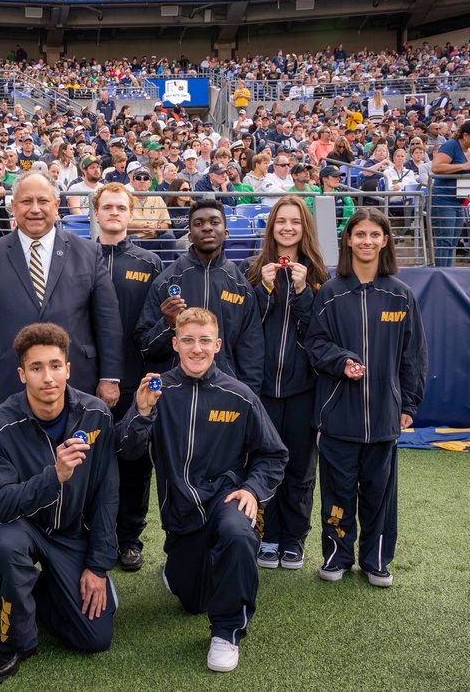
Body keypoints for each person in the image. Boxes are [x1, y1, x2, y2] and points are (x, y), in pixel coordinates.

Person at [116, 307, 287, 673]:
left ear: (217, 345)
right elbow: (125, 451)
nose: (197, 349)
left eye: (205, 341)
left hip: (226, 499)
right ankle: (182, 571)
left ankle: (227, 632)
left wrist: (253, 490)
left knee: (239, 533)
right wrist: (141, 413)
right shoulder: (158, 391)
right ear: (176, 343)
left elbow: (273, 455)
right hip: (181, 513)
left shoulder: (240, 396)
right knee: (193, 601)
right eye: (189, 340)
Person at [0, 323, 119, 683]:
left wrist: (99, 565)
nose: (48, 377)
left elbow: (106, 493)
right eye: (36, 368)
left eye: (56, 366)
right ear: (22, 373)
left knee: (95, 639)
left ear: (68, 369)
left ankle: (32, 589)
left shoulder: (97, 415)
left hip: (72, 533)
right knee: (6, 543)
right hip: (22, 526)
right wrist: (53, 476)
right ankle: (15, 643)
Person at [305, 209, 428, 588]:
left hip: (384, 419)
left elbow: (414, 355)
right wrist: (341, 361)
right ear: (348, 240)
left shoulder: (400, 294)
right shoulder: (329, 292)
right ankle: (336, 557)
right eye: (360, 234)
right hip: (338, 416)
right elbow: (314, 343)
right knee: (338, 493)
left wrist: (408, 405)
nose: (367, 241)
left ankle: (376, 561)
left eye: (375, 234)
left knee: (380, 495)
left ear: (385, 240)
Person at [0, 172, 124, 428]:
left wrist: (110, 377)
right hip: (6, 381)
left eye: (43, 201)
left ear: (56, 206)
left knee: (78, 461)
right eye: (26, 202)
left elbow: (108, 321)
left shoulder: (89, 253)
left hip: (77, 379)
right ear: (13, 206)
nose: (35, 209)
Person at [240, 196, 328, 569]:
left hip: (303, 388)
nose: (288, 228)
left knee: (300, 468)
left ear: (304, 228)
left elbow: (320, 334)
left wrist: (305, 292)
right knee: (261, 465)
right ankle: (266, 535)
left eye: (295, 221)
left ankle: (294, 538)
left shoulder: (320, 275)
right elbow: (242, 329)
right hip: (261, 390)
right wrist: (262, 291)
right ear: (271, 227)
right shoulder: (250, 270)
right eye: (281, 221)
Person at [90, 183, 163, 572]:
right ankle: (90, 535)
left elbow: (156, 327)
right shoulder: (79, 258)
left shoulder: (150, 262)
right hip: (88, 384)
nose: (115, 213)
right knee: (90, 462)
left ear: (131, 213)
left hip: (136, 382)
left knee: (135, 465)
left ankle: (129, 539)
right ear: (96, 212)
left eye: (121, 207)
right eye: (108, 207)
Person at [136, 199, 264, 392]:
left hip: (223, 393)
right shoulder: (167, 280)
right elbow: (145, 347)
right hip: (174, 395)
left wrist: (248, 396)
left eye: (214, 222)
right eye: (198, 224)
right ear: (189, 235)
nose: (206, 228)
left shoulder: (240, 286)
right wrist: (168, 324)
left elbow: (251, 352)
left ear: (226, 232)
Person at [431, 120, 470, 267]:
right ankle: (441, 275)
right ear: (465, 135)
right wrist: (464, 165)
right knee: (444, 241)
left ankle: (448, 273)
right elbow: (436, 167)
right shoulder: (451, 145)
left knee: (452, 242)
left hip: (458, 201)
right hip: (443, 200)